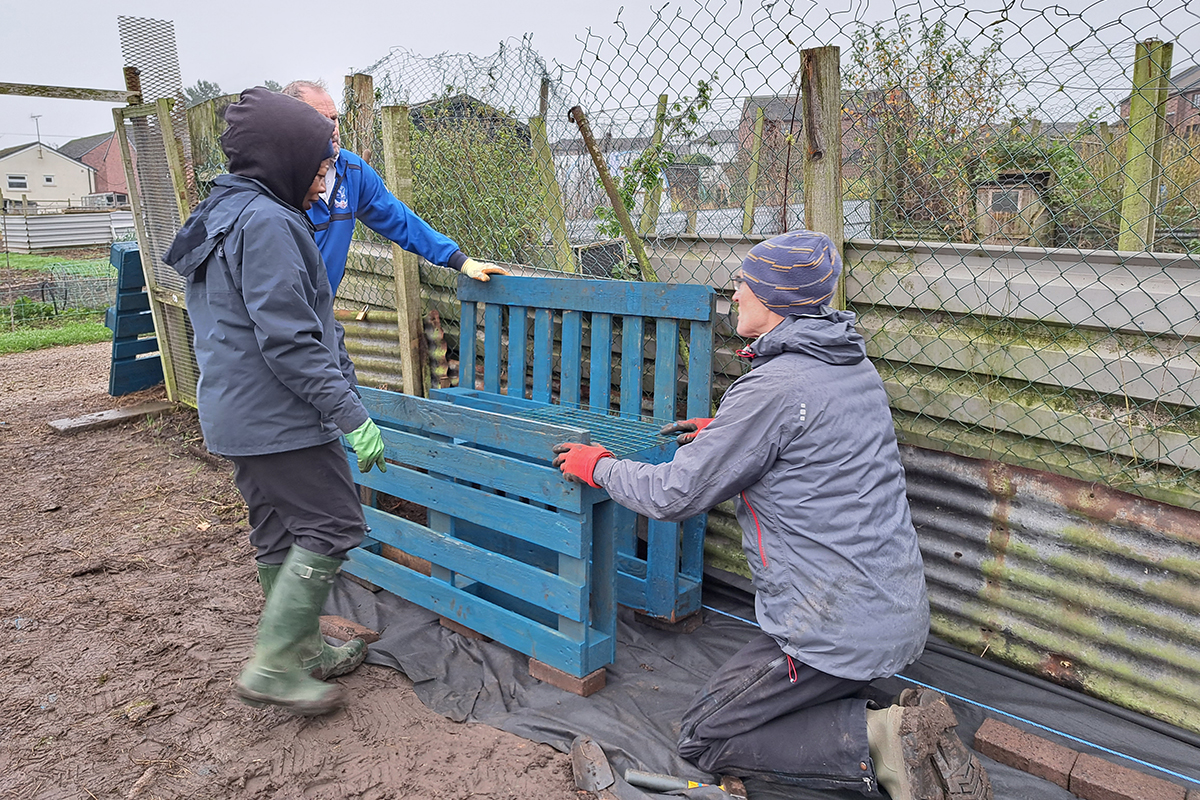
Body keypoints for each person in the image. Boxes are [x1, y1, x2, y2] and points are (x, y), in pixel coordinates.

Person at [552, 230, 991, 800]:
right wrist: (732, 438)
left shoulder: (775, 388)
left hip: (826, 630)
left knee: (704, 737)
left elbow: (672, 496)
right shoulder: (850, 367)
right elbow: (812, 444)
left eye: (745, 284)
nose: (734, 294)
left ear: (777, 301)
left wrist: (600, 466)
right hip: (893, 614)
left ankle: (880, 739)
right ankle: (880, 717)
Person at [164, 87, 389, 716]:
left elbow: (275, 322)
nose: (324, 187)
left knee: (277, 532)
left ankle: (306, 649)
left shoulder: (224, 212)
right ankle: (274, 663)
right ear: (285, 160)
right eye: (319, 170)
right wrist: (351, 413)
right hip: (280, 417)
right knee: (334, 523)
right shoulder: (267, 224)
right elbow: (292, 341)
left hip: (235, 412)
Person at [281, 80, 509, 293]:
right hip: (278, 313)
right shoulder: (277, 181)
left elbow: (400, 220)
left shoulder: (353, 171)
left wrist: (462, 261)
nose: (333, 129)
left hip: (319, 311)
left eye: (335, 118)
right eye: (322, 120)